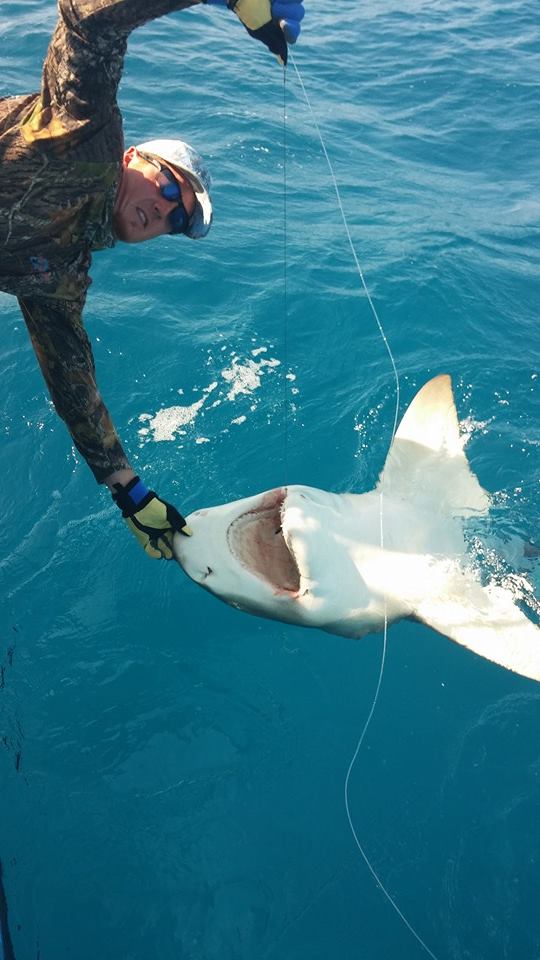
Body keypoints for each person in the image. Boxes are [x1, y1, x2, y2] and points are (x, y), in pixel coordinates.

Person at [0, 0, 304, 560]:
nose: (162, 213)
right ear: (133, 156)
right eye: (168, 190)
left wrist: (131, 494)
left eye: (177, 220)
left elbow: (73, 385)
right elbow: (86, 18)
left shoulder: (64, 273)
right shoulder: (85, 130)